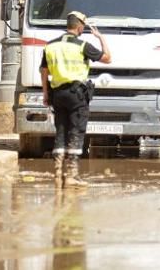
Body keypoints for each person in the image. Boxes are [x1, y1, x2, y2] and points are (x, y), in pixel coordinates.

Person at [41, 11, 111, 188]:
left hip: (57, 93)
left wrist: (46, 94)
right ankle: (71, 175)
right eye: (83, 27)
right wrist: (101, 37)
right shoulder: (83, 46)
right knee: (76, 132)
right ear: (79, 26)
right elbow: (108, 58)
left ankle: (57, 173)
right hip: (76, 95)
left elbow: (44, 71)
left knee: (61, 131)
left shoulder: (50, 46)